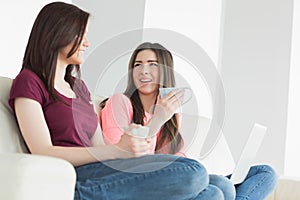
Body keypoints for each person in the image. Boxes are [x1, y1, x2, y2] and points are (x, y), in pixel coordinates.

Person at [7, 2, 240, 200]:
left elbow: (99, 147)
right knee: (194, 173)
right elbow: (42, 150)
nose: (87, 43)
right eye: (82, 35)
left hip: (101, 169)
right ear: (58, 34)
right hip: (77, 175)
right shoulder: (29, 82)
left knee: (217, 190)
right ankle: (85, 195)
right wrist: (116, 151)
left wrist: (124, 148)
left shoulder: (79, 87)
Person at [99, 42, 278, 199]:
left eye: (152, 64)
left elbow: (176, 159)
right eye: (137, 65)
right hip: (144, 182)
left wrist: (164, 117)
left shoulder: (173, 116)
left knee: (265, 173)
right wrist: (158, 119)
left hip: (173, 180)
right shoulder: (119, 102)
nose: (143, 70)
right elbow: (120, 155)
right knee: (221, 187)